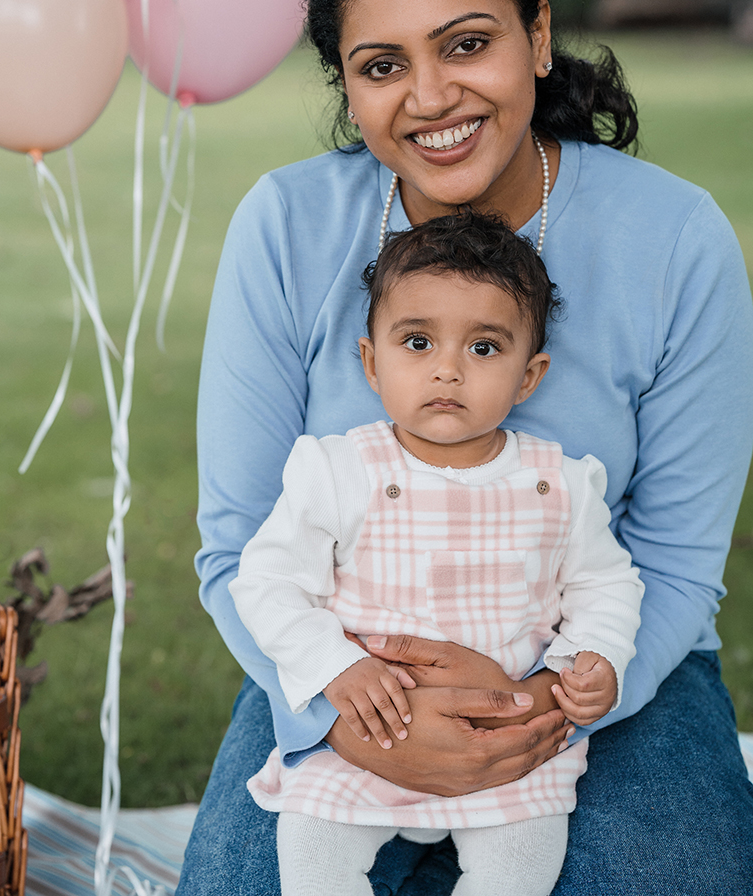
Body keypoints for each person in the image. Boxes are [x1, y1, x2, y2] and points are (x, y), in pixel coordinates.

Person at [176, 0, 753, 896]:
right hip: (343, 678)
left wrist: (539, 704)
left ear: (536, 34)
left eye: (467, 44)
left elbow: (672, 562)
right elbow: (236, 546)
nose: (430, 97)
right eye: (380, 65)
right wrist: (342, 712)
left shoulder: (675, 240)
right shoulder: (285, 226)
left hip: (598, 676)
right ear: (345, 87)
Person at [229, 211, 645, 896]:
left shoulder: (559, 482)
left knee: (521, 866)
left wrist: (593, 657)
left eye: (484, 349)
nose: (448, 369)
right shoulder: (340, 471)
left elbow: (607, 585)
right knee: (310, 858)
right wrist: (337, 667)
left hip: (508, 740)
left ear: (529, 375)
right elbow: (267, 583)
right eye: (417, 342)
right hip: (369, 727)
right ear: (371, 361)